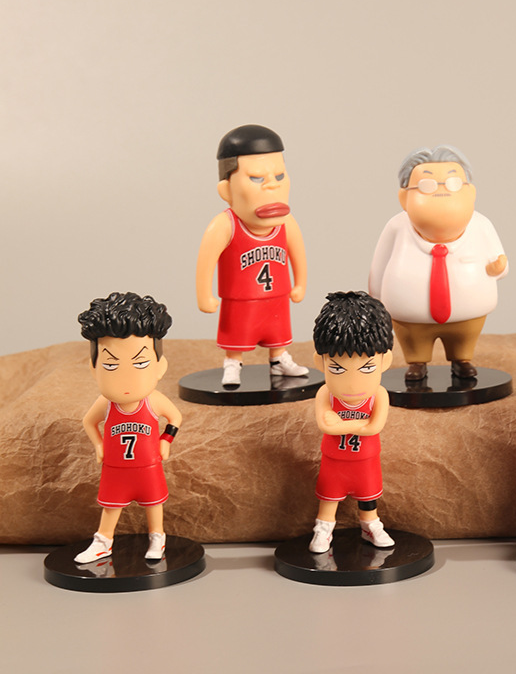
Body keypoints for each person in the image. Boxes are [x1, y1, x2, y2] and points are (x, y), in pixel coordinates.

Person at [368, 145, 507, 381]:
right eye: (427, 186)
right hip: (409, 315)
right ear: (404, 197)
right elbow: (378, 265)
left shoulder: (481, 225)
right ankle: (416, 362)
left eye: (453, 184)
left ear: (471, 192)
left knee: (464, 341)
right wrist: (376, 300)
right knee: (414, 342)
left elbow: (499, 261)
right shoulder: (396, 227)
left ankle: (462, 359)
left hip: (469, 312)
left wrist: (498, 267)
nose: (442, 192)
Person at [196, 124, 308, 386]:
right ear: (226, 190)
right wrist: (204, 296)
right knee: (237, 334)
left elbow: (298, 253)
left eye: (279, 176)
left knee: (278, 332)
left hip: (277, 297)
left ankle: (279, 360)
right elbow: (206, 263)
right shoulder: (224, 225)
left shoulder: (286, 222)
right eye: (257, 179)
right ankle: (233, 363)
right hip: (240, 299)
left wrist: (300, 283)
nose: (272, 186)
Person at [75, 292, 182, 563]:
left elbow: (175, 417)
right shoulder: (105, 404)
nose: (126, 377)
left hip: (148, 466)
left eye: (140, 363)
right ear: (94, 369)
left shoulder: (154, 400)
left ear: (159, 367)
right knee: (111, 507)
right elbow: (88, 421)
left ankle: (157, 537)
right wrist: (99, 445)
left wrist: (165, 440)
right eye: (111, 365)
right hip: (116, 468)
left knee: (154, 504)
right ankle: (103, 541)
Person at [308, 291, 395, 554]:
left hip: (366, 460)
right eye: (337, 369)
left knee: (369, 498)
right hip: (334, 460)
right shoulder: (325, 393)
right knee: (328, 497)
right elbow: (326, 426)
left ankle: (371, 526)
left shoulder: (379, 395)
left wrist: (342, 425)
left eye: (367, 368)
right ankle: (323, 529)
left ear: (385, 361)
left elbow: (374, 427)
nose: (353, 384)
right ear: (321, 363)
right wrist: (360, 425)